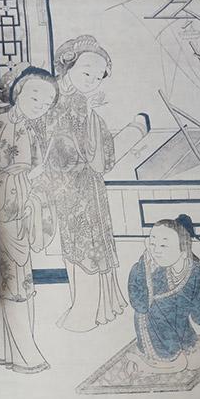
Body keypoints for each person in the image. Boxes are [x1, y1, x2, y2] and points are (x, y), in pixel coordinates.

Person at [46, 35, 148, 333]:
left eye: (98, 76)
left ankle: (88, 309)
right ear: (68, 65)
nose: (92, 80)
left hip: (85, 187)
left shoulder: (81, 103)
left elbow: (100, 155)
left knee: (87, 243)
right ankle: (84, 309)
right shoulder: (56, 99)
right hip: (67, 186)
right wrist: (135, 130)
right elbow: (76, 150)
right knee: (79, 246)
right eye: (86, 71)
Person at [0, 64, 55, 373]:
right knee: (12, 280)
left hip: (16, 207)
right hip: (2, 209)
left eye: (47, 102)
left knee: (13, 278)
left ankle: (3, 348)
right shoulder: (0, 123)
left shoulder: (28, 127)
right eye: (35, 96)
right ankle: (24, 352)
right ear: (18, 91)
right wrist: (31, 175)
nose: (40, 105)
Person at [125, 214, 200, 374]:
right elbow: (140, 305)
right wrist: (145, 270)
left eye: (163, 245)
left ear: (183, 251)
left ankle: (145, 366)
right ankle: (144, 364)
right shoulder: (147, 269)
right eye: (152, 243)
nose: (156, 251)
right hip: (155, 330)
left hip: (182, 329)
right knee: (179, 364)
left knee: (194, 364)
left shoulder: (196, 271)